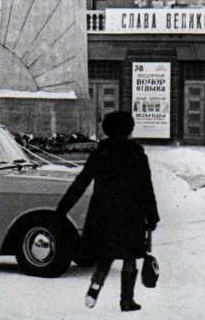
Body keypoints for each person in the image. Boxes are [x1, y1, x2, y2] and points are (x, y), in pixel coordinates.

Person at [57, 110, 159, 312]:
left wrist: (63, 208)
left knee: (105, 254)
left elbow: (81, 182)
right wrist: (152, 217)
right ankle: (127, 300)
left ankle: (95, 287)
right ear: (129, 130)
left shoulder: (100, 153)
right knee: (130, 256)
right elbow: (146, 188)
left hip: (103, 213)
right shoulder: (137, 154)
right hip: (131, 213)